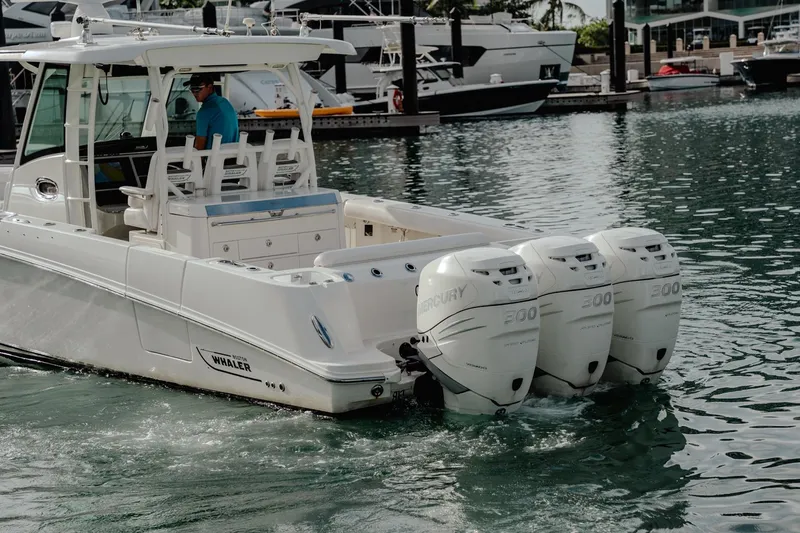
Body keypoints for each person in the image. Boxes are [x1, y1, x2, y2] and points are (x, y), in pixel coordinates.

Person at [184, 73, 239, 150]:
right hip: (233, 156)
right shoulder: (225, 102)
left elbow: (199, 147)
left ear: (209, 87)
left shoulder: (204, 112)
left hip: (214, 160)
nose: (194, 93)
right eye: (192, 89)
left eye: (197, 89)